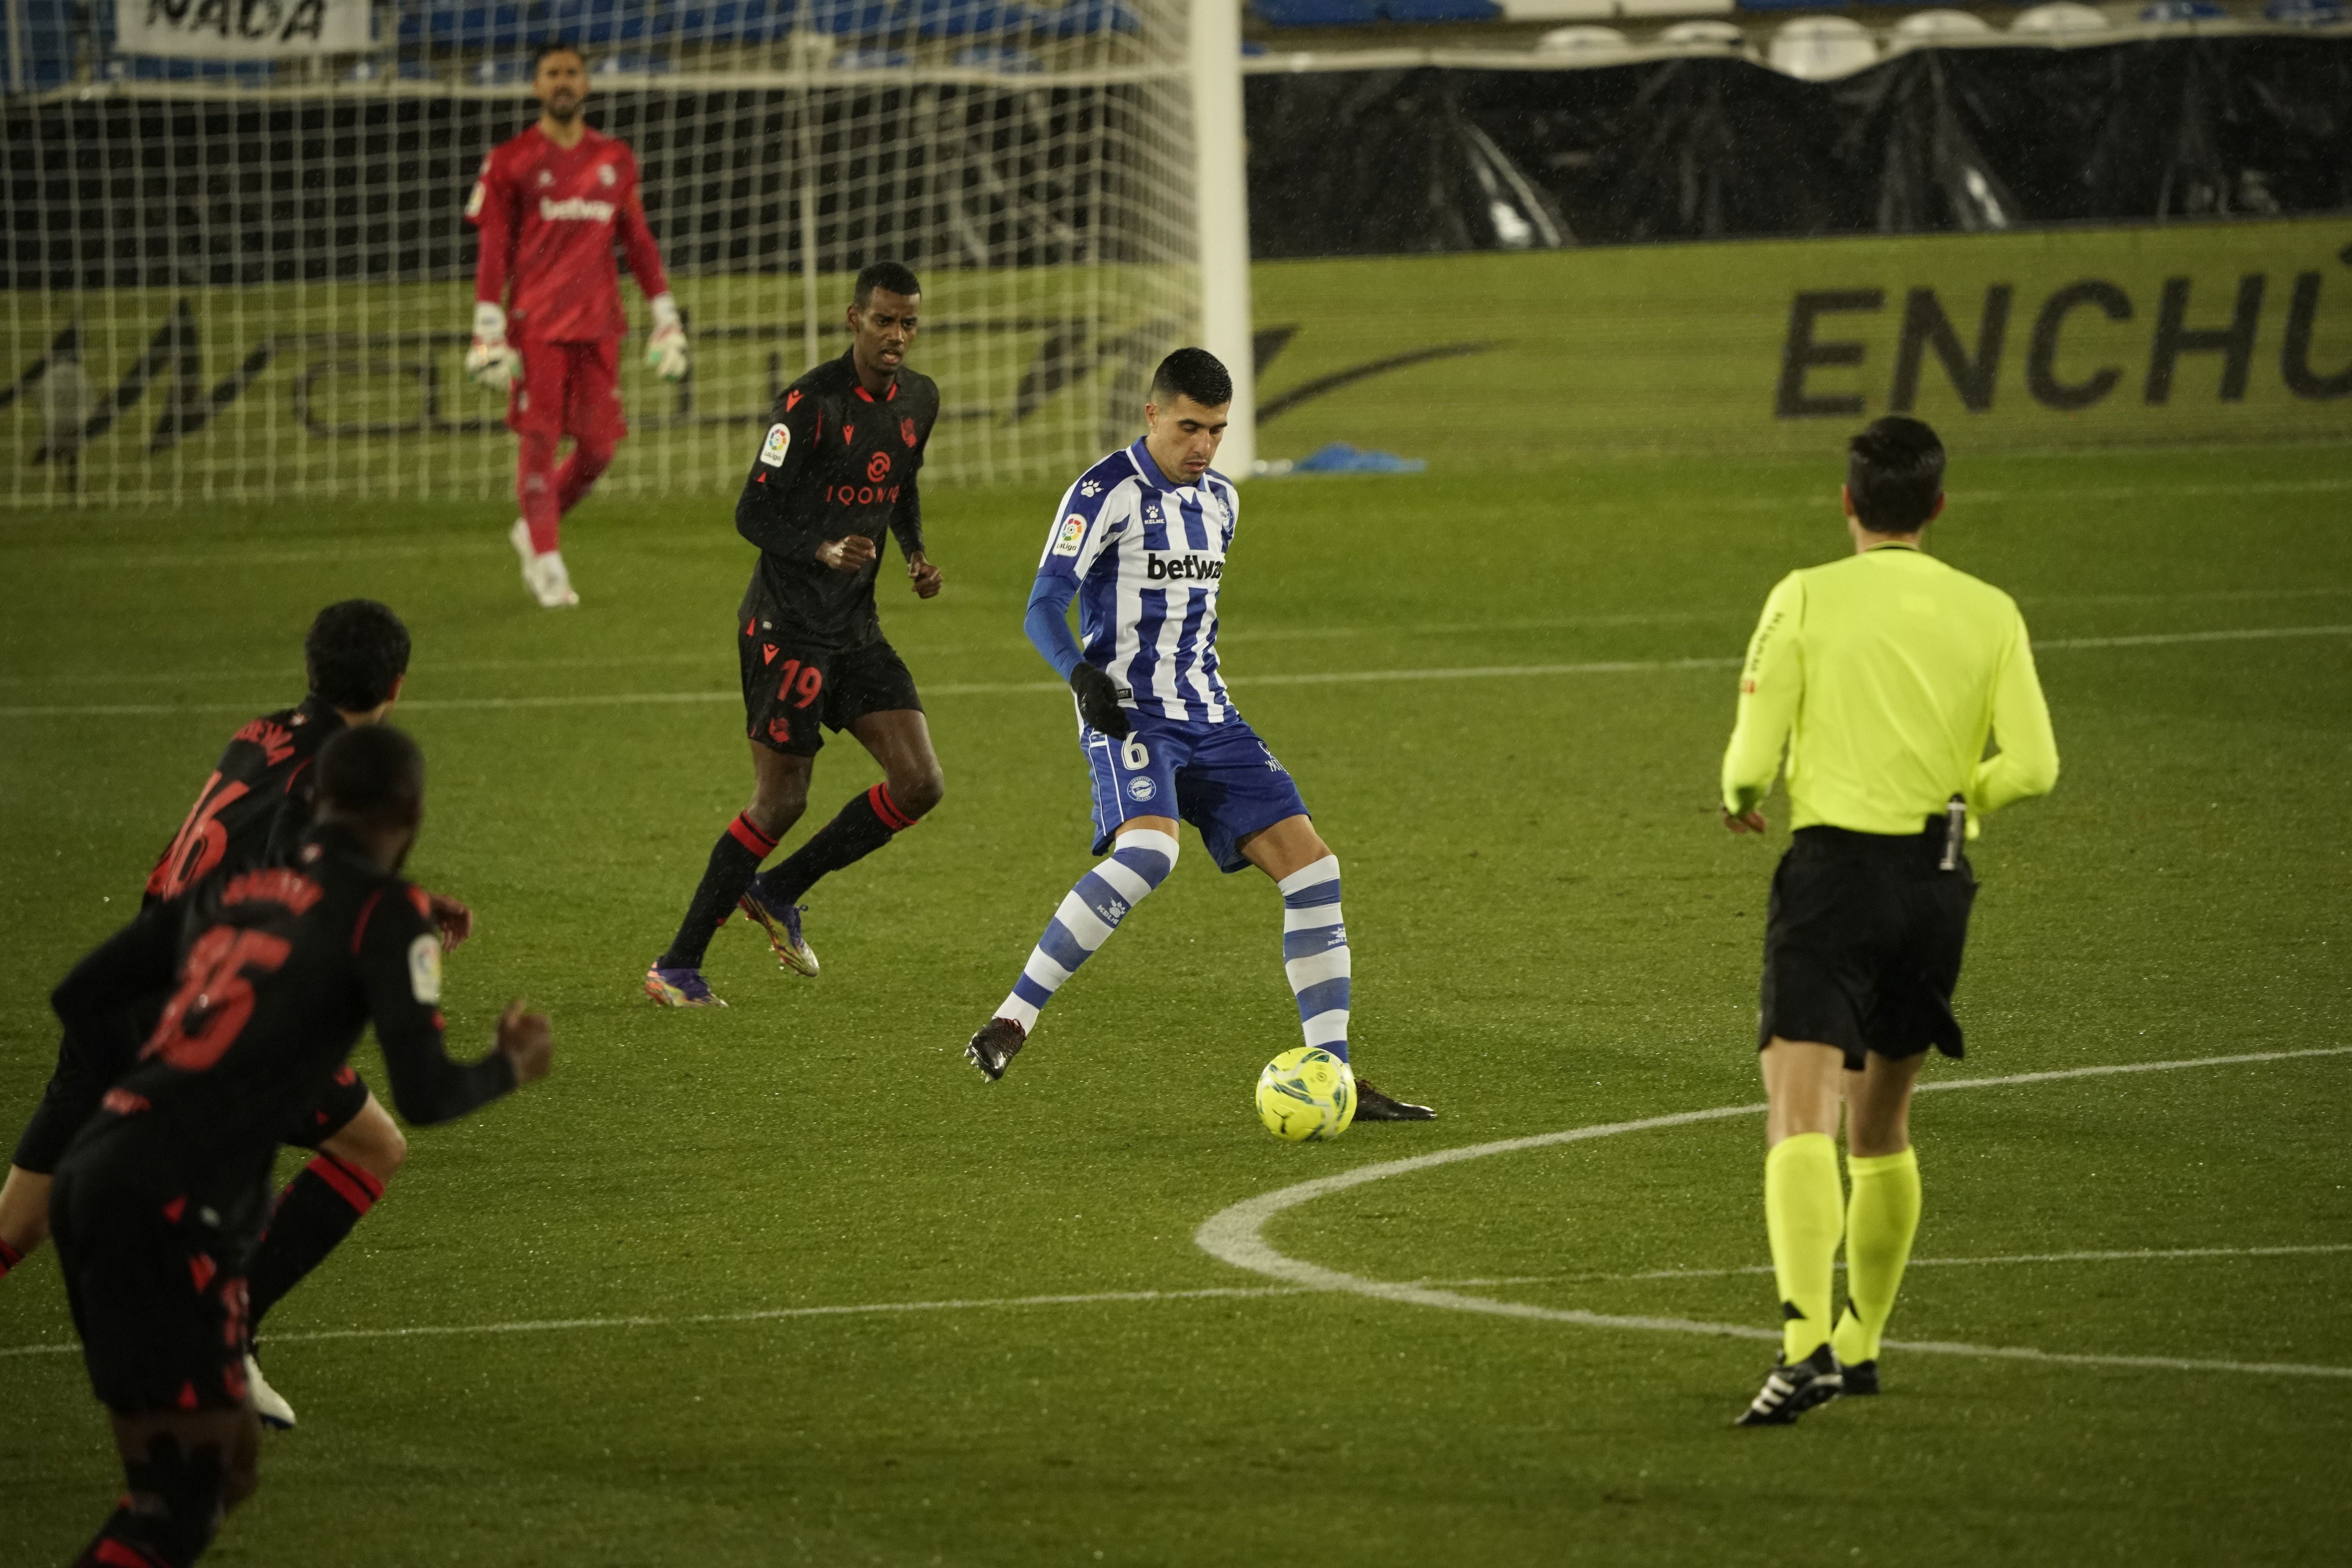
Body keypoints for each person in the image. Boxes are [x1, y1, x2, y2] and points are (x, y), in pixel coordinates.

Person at [48, 723, 553, 1567]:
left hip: (95, 1171)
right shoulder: (386, 915)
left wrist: (156, 1093)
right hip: (168, 1209)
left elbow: (81, 993)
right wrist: (510, 1064)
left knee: (229, 1467)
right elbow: (425, 1094)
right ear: (415, 812)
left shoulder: (244, 885)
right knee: (179, 1501)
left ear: (315, 801)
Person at [0, 600, 463, 1432]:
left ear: (311, 670)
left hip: (125, 989)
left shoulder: (259, 732)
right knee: (374, 1146)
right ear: (398, 684)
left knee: (19, 1221)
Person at [961, 347, 1435, 1122]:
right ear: (1152, 415)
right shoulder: (1104, 491)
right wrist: (1080, 676)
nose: (1203, 446)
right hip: (1129, 711)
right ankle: (1014, 1017)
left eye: (1216, 430)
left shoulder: (1222, 500)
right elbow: (1044, 602)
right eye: (1189, 427)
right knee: (1149, 854)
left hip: (1211, 715)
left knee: (1314, 871)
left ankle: (1335, 1074)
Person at [1719, 416, 2058, 1426]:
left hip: (1835, 877)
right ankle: (1863, 1344)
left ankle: (1804, 1343)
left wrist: (1741, 788)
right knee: (1882, 1124)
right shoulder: (1991, 608)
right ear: (1939, 507)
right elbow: (2036, 766)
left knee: (1798, 1111)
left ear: (1847, 501)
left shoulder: (1808, 592)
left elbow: (1752, 749)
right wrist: (1966, 799)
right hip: (1939, 882)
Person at [644, 261, 945, 1007]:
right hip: (786, 632)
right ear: (854, 319)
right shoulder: (809, 405)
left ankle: (777, 891)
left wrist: (913, 552)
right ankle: (677, 966)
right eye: (884, 321)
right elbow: (753, 512)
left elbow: (899, 482)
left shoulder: (919, 400)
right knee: (781, 803)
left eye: (909, 322)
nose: (897, 336)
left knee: (920, 783)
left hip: (855, 629)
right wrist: (821, 548)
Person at [464, 38, 689, 610]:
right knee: (538, 444)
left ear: (586, 85)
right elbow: (493, 249)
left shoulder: (614, 160)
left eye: (571, 73)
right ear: (536, 86)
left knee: (599, 450)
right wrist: (486, 326)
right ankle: (548, 561)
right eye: (552, 74)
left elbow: (637, 242)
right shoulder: (511, 160)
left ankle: (533, 530)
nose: (563, 82)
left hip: (599, 326)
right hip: (535, 325)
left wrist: (666, 316)